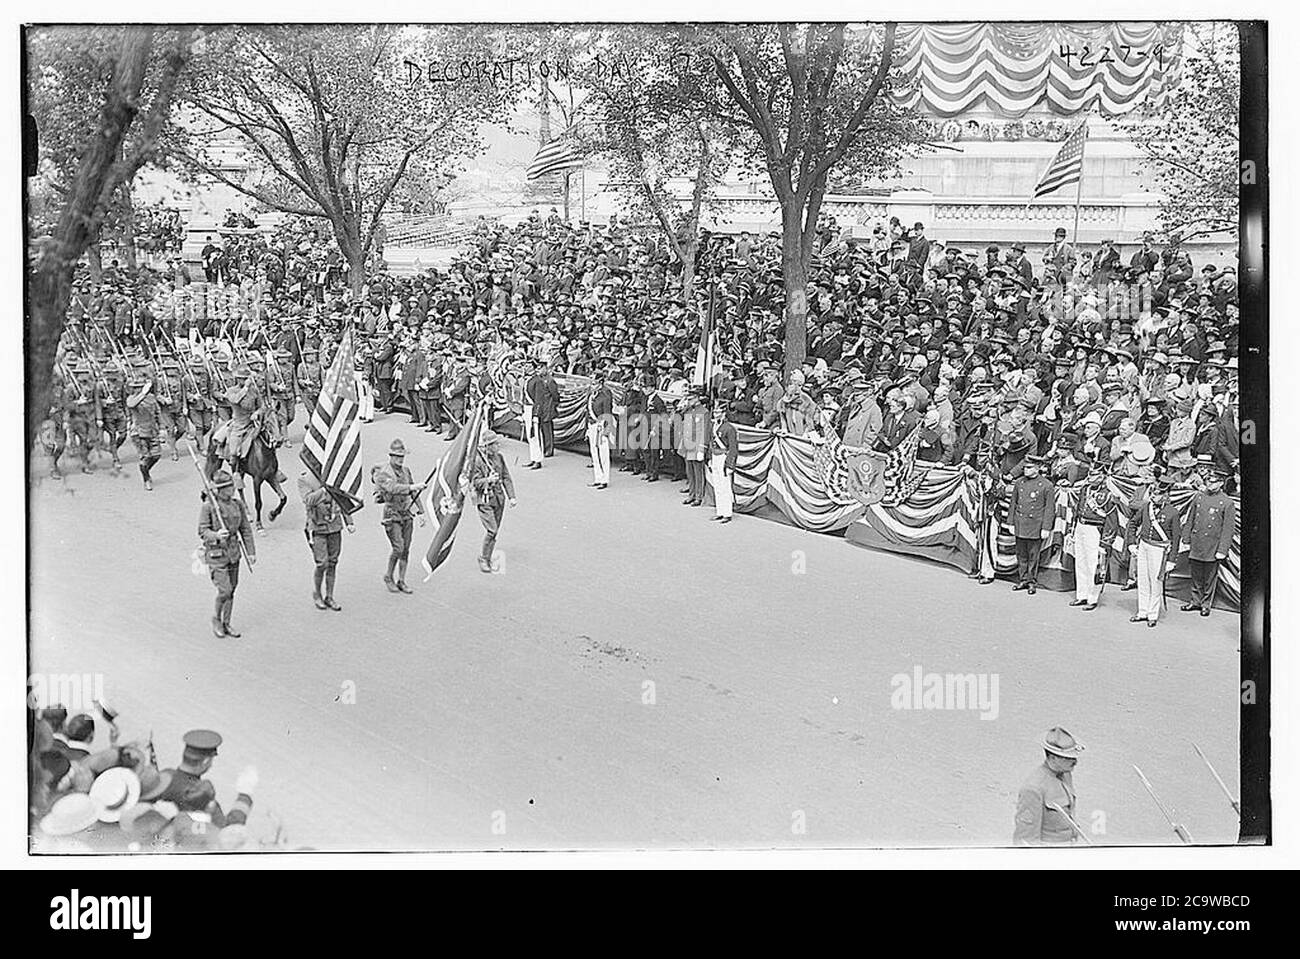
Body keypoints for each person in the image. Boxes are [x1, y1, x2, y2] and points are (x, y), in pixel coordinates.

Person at [198, 468, 257, 638]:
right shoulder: (208, 506)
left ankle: (227, 623)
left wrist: (251, 551)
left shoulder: (237, 504)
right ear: (219, 490)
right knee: (224, 590)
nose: (232, 490)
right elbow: (202, 531)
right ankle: (216, 619)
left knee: (232, 589)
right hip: (216, 554)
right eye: (228, 487)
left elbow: (245, 529)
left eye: (231, 486)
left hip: (233, 552)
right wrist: (216, 535)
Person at [1126, 475, 1183, 627]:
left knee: (1155, 582)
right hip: (1144, 545)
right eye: (1153, 493)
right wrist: (1132, 543)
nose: (1154, 496)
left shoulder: (1173, 513)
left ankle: (1153, 614)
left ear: (1165, 495)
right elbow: (1132, 524)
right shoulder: (1146, 507)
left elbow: (1176, 538)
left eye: (1157, 494)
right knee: (1143, 579)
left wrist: (1172, 560)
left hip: (1160, 550)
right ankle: (1142, 611)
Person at [1182, 459, 1236, 616]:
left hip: (1212, 545)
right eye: (1208, 481)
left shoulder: (1226, 502)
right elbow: (1190, 519)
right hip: (1197, 542)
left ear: (1220, 483)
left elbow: (1228, 530)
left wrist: (1222, 550)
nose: (1210, 484)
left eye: (1213, 482)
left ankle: (1206, 603)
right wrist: (1186, 539)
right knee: (1196, 574)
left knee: (1209, 577)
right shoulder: (1198, 497)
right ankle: (1195, 601)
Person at [1013, 727, 1085, 845]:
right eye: (1069, 758)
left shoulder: (1065, 774)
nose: (1075, 762)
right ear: (1053, 758)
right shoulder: (1033, 788)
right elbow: (1026, 839)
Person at [373, 439, 426, 593]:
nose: (400, 459)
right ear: (391, 456)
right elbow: (393, 488)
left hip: (406, 512)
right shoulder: (382, 473)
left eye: (402, 456)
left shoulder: (406, 471)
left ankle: (402, 580)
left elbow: (413, 492)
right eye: (397, 456)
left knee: (406, 549)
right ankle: (388, 576)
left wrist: (421, 512)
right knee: (398, 548)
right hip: (392, 514)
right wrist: (412, 486)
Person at [298, 468, 355, 610]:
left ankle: (330, 596)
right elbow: (308, 500)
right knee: (321, 563)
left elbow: (342, 499)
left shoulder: (334, 476)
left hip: (334, 525)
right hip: (318, 527)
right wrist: (324, 490)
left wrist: (349, 521)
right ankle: (317, 594)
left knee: (333, 562)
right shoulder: (305, 480)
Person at [1067, 460, 1119, 611]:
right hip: (1081, 526)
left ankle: (1092, 597)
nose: (1091, 476)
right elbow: (1078, 509)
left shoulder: (1108, 495)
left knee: (1094, 565)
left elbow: (1111, 521)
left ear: (1103, 476)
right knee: (1081, 562)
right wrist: (1073, 528)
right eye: (1091, 473)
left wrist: (1105, 542)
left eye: (1095, 474)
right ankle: (1081, 595)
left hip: (1095, 530)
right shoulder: (1085, 489)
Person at [469, 431, 517, 573]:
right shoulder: (478, 461)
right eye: (495, 444)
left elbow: (506, 477)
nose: (498, 445)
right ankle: (483, 558)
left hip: (498, 498)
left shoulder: (499, 458)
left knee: (495, 532)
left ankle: (488, 557)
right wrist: (488, 480)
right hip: (485, 500)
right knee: (492, 530)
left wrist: (512, 496)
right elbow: (475, 482)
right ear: (488, 446)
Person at [1007, 454, 1055, 594]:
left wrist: (1046, 527)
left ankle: (1031, 581)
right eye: (1025, 467)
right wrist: (1011, 522)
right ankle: (1022, 579)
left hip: (1035, 525)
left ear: (1038, 468)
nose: (1026, 470)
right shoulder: (1019, 483)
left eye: (1029, 468)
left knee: (1033, 556)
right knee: (1021, 554)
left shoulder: (1046, 485)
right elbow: (1013, 504)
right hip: (1021, 523)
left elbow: (1049, 509)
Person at [124, 370, 162, 491]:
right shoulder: (131, 399)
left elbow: (157, 413)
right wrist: (143, 394)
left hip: (152, 429)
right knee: (145, 457)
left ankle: (146, 471)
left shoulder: (151, 398)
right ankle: (146, 479)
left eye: (140, 387)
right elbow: (131, 405)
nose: (138, 389)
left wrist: (161, 428)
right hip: (138, 432)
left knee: (156, 455)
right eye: (136, 387)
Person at [709, 401, 739, 524]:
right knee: (717, 485)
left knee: (725, 486)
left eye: (718, 412)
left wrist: (730, 464)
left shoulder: (729, 428)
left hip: (723, 457)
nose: (716, 414)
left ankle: (727, 513)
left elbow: (733, 448)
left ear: (724, 413)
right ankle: (720, 511)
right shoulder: (714, 426)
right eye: (715, 412)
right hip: (715, 456)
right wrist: (710, 459)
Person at [587, 367, 613, 489]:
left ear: (600, 382)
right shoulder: (593, 394)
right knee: (594, 452)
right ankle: (598, 477)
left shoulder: (606, 393)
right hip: (592, 424)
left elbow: (608, 412)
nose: (592, 385)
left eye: (594, 382)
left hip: (601, 425)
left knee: (603, 453)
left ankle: (604, 479)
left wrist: (606, 430)